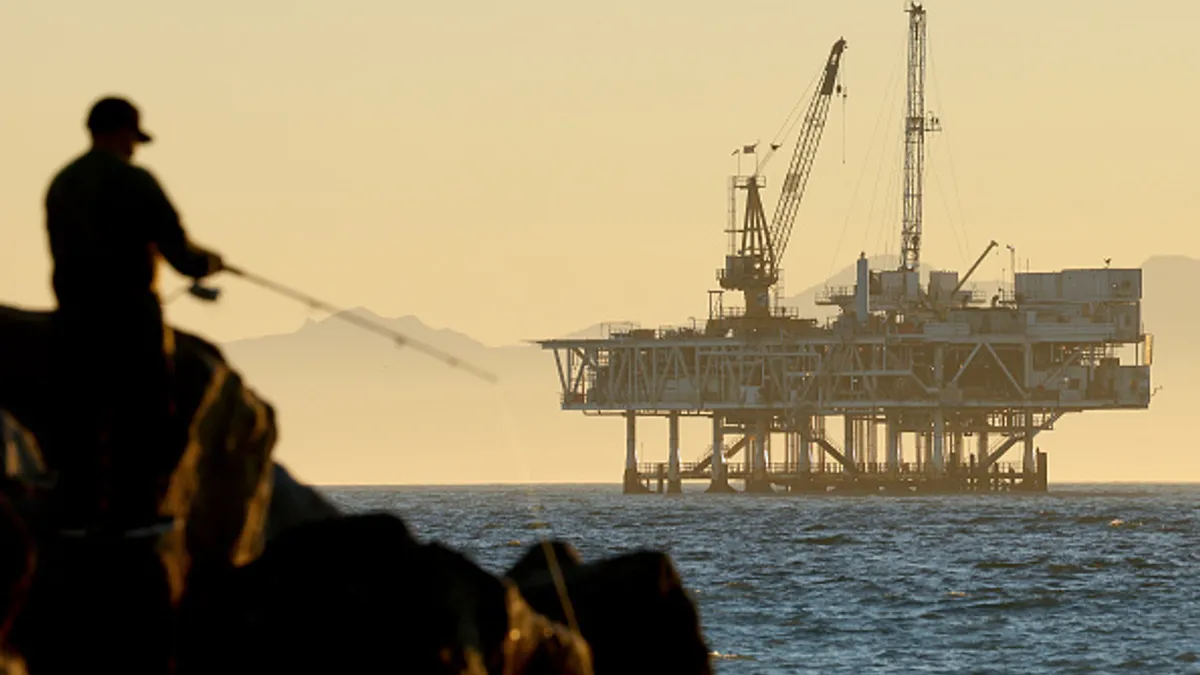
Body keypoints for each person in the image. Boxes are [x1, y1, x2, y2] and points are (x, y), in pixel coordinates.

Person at [43, 95, 223, 531]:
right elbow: (180, 253)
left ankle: (76, 514)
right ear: (123, 133)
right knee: (141, 417)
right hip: (130, 319)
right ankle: (134, 515)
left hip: (74, 316)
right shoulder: (136, 181)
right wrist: (209, 263)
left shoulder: (63, 182)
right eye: (132, 139)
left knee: (82, 418)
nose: (134, 148)